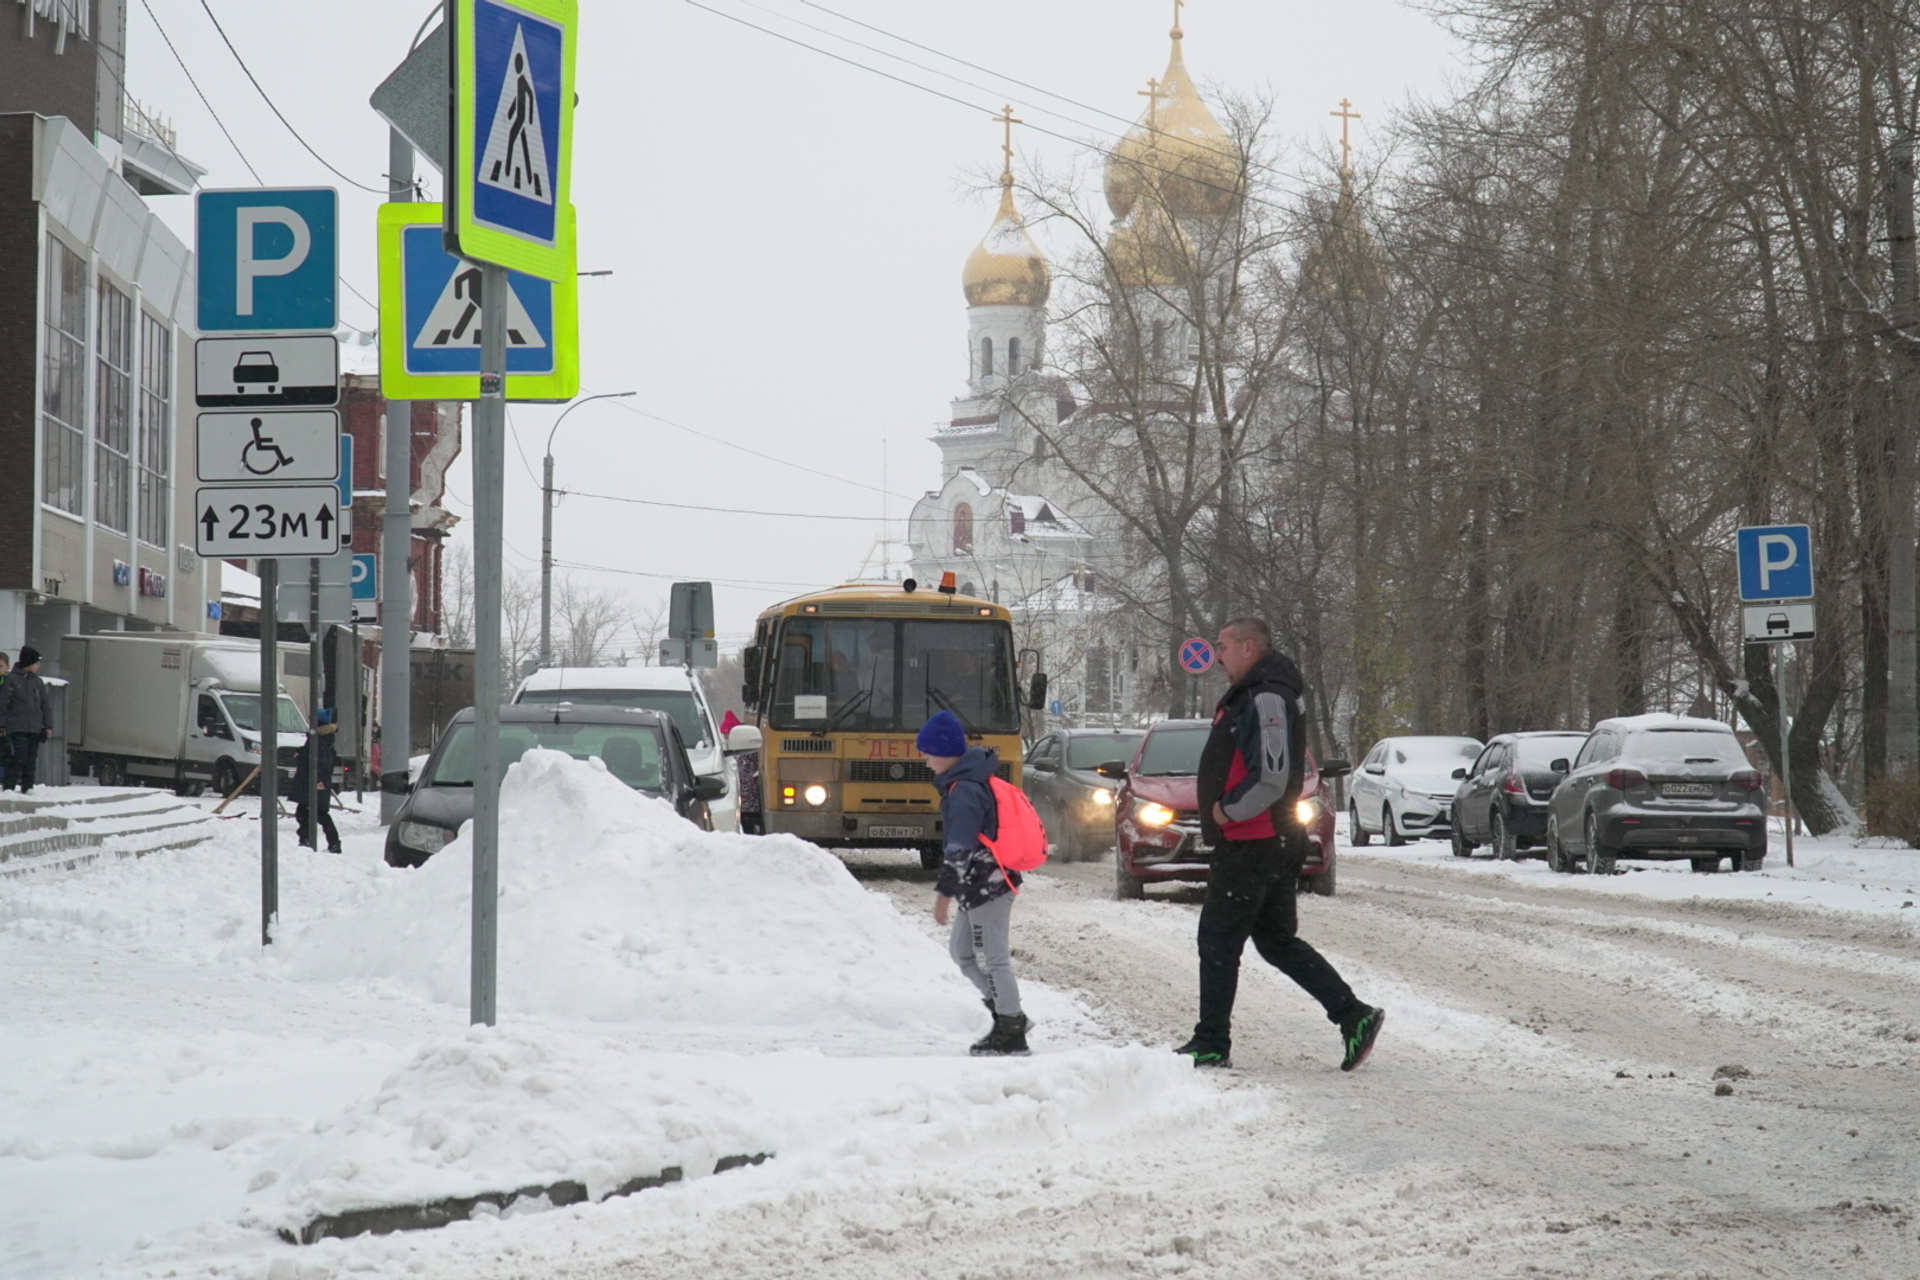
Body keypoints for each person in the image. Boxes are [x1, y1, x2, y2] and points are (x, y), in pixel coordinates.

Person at [1177, 618, 1384, 1072]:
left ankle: (1211, 1042)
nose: (1217, 656)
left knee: (1217, 941)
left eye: (1224, 647)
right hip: (1263, 839)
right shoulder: (1257, 690)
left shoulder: (1266, 694)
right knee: (1275, 940)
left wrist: (1225, 811)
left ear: (1249, 647)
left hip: (1253, 841)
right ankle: (1354, 1016)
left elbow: (1271, 775)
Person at [919, 709, 1029, 1056]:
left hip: (989, 884)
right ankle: (1007, 1015)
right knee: (962, 954)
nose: (923, 759)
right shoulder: (960, 783)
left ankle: (1012, 1030)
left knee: (993, 958)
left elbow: (960, 846)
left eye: (926, 752)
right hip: (978, 884)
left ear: (944, 751)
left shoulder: (964, 789)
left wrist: (943, 895)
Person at [1, 646, 54, 793]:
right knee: (19, 756)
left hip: (35, 728)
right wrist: (2, 724)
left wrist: (48, 726)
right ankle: (9, 787)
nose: (39, 666)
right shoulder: (12, 680)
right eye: (37, 662)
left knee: (31, 759)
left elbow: (45, 705)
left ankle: (27, 787)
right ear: (29, 663)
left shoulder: (37, 682)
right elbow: (3, 704)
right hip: (17, 726)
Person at [290, 708, 342, 853]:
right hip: (313, 782)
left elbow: (320, 762)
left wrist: (318, 780)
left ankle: (327, 842)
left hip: (314, 783)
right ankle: (311, 840)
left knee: (315, 813)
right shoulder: (321, 739)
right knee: (309, 813)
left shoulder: (318, 740)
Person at [720, 710, 763, 834]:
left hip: (749, 800)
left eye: (727, 735)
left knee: (750, 823)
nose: (726, 738)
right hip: (742, 799)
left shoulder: (745, 749)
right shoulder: (727, 750)